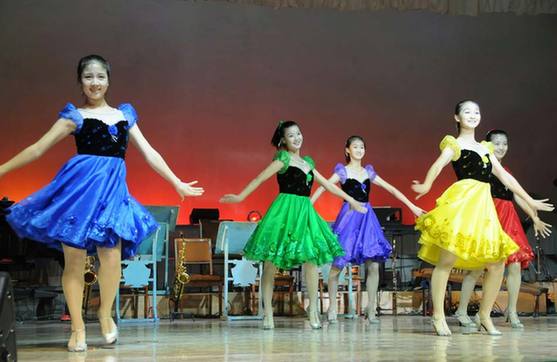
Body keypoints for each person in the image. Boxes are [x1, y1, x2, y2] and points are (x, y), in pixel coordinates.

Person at [0, 55, 204, 351]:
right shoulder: (74, 116)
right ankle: (77, 328)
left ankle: (105, 314)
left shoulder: (124, 116)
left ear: (108, 80)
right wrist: (2, 169)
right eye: (88, 77)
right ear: (80, 82)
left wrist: (176, 182)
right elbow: (37, 149)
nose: (95, 82)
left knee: (111, 258)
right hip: (79, 193)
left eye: (100, 77)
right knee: (75, 261)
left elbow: (150, 153)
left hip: (112, 195)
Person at [411, 100, 553, 336]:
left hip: (483, 208)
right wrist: (426, 184)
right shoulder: (453, 143)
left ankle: (484, 316)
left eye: (476, 112)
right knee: (447, 260)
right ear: (457, 117)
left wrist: (530, 199)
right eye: (467, 111)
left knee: (497, 264)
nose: (473, 115)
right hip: (462, 202)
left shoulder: (485, 148)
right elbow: (438, 165)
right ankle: (438, 316)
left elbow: (507, 179)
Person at [220, 121, 366, 330]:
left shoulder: (308, 163)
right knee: (271, 262)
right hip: (284, 213)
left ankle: (313, 311)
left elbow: (328, 186)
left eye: (298, 133)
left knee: (311, 260)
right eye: (291, 135)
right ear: (283, 140)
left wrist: (351, 201)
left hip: (305, 214)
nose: (297, 138)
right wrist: (240, 196)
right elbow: (260, 178)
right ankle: (268, 314)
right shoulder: (283, 159)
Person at [311, 135, 424, 323]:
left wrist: (411, 206)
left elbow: (393, 190)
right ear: (347, 150)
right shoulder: (342, 171)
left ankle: (371, 309)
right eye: (355, 147)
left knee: (373, 265)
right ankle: (332, 307)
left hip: (366, 218)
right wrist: (309, 205)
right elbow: (323, 186)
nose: (359, 150)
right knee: (337, 266)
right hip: (348, 217)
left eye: (362, 147)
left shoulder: (368, 172)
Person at [454, 129, 552, 329]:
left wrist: (534, 217)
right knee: (477, 267)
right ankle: (462, 310)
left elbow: (516, 196)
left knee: (515, 264)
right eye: (497, 143)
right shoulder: (482, 166)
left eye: (504, 143)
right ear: (488, 144)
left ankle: (512, 311)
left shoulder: (506, 171)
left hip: (508, 218)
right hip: (487, 215)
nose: (501, 147)